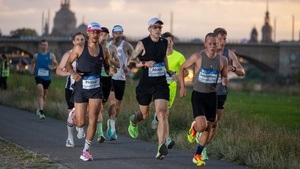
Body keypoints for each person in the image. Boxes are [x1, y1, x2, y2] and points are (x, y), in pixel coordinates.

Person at [127, 17, 174, 160]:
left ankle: (160, 147)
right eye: (155, 27)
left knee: (162, 112)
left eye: (160, 27)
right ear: (149, 29)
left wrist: (168, 70)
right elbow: (131, 62)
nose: (158, 30)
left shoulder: (164, 42)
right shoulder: (143, 43)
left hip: (160, 83)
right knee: (145, 115)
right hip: (145, 84)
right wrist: (145, 63)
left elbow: (164, 58)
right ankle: (133, 121)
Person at [178, 33, 228, 166]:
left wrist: (224, 79)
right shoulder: (198, 57)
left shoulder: (222, 60)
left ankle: (197, 155)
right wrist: (182, 87)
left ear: (218, 45)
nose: (212, 46)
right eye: (210, 43)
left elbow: (224, 76)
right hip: (198, 95)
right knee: (202, 126)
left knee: (209, 128)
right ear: (205, 45)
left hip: (212, 96)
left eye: (215, 44)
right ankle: (194, 127)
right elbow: (182, 68)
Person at [196, 28, 245, 160]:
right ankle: (196, 130)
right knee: (206, 123)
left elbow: (242, 71)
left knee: (215, 123)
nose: (222, 42)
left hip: (221, 92)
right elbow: (196, 70)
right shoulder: (203, 53)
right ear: (213, 39)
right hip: (205, 92)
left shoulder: (229, 54)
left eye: (225, 39)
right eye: (220, 39)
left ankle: (203, 147)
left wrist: (233, 69)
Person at [65, 21, 111, 161]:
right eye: (93, 32)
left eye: (98, 32)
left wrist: (111, 70)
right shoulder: (79, 47)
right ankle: (73, 116)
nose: (95, 34)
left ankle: (86, 151)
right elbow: (68, 63)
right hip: (81, 87)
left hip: (96, 88)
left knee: (94, 118)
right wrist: (73, 73)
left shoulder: (104, 50)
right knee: (80, 123)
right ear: (88, 33)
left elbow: (107, 68)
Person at [151, 32, 189, 149]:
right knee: (165, 113)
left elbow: (186, 72)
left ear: (173, 42)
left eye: (170, 41)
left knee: (164, 113)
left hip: (171, 87)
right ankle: (166, 140)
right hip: (158, 85)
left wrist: (177, 76)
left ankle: (157, 119)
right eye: (165, 41)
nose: (168, 43)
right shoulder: (157, 54)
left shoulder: (179, 56)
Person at [56, 32, 86, 148]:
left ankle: (80, 126)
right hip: (70, 87)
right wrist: (70, 74)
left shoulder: (88, 54)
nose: (80, 41)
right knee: (71, 114)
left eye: (82, 39)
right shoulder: (68, 54)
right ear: (73, 42)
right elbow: (58, 70)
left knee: (83, 111)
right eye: (77, 39)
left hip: (85, 87)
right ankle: (70, 137)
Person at [106, 25, 133, 141]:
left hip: (121, 78)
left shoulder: (125, 45)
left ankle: (111, 122)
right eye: (116, 33)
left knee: (117, 105)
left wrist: (129, 66)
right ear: (112, 34)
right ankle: (112, 129)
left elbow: (133, 56)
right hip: (110, 77)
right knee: (112, 102)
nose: (118, 35)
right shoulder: (108, 45)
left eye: (120, 33)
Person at [96, 27, 120, 143]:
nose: (104, 37)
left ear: (108, 36)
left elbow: (119, 64)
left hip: (108, 79)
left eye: (106, 35)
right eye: (102, 34)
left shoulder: (112, 48)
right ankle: (100, 133)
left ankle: (112, 129)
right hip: (97, 80)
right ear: (98, 35)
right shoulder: (94, 48)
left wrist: (109, 62)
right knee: (99, 107)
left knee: (112, 105)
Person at [31, 39, 58, 119]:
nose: (44, 47)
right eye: (42, 45)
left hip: (47, 77)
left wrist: (52, 67)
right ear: (40, 46)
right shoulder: (36, 55)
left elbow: (56, 64)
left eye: (45, 45)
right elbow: (32, 62)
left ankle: (39, 107)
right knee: (41, 93)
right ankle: (41, 112)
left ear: (47, 46)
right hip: (38, 76)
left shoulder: (51, 55)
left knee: (44, 95)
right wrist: (32, 69)